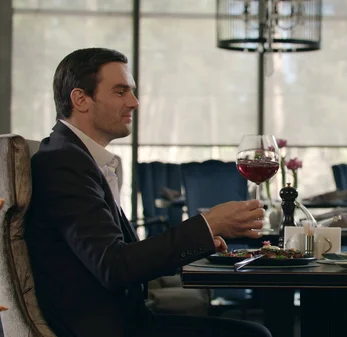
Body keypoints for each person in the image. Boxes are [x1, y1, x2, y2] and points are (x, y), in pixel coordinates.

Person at [25, 48, 271, 337]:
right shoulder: (63, 163)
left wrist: (202, 238)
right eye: (120, 92)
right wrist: (209, 224)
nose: (134, 102)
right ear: (80, 99)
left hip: (124, 320)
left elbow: (119, 258)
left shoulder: (76, 157)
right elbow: (114, 267)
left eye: (132, 91)